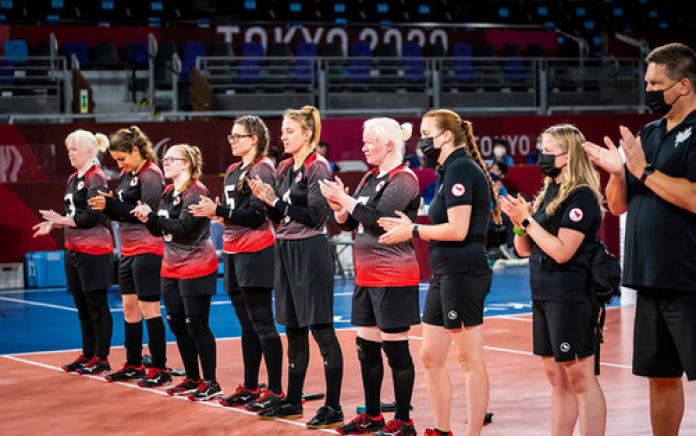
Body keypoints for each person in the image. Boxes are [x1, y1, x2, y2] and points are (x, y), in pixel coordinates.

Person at [582, 42, 696, 436]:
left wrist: (643, 171)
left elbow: (694, 197)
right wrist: (617, 173)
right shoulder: (648, 133)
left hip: (690, 278)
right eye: (645, 82)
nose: (648, 91)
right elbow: (618, 207)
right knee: (660, 377)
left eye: (656, 84)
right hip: (649, 275)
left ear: (683, 85)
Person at [378, 109, 500, 436]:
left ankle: (472, 432)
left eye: (427, 132)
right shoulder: (447, 169)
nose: (421, 140)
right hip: (444, 272)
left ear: (446, 136)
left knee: (469, 358)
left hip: (464, 272)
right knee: (431, 356)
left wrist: (413, 231)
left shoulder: (461, 168)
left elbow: (459, 230)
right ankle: (442, 429)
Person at [500, 124, 607, 436]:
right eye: (541, 149)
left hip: (571, 296)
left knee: (581, 379)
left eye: (549, 151)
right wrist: (519, 224)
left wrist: (528, 220)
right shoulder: (549, 192)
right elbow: (523, 249)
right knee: (556, 379)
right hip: (543, 294)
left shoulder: (582, 196)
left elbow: (562, 251)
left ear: (567, 156)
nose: (541, 156)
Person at [320, 118, 420, 436]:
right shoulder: (369, 177)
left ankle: (403, 421)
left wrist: (347, 202)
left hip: (393, 275)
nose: (363, 147)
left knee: (396, 350)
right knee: (367, 348)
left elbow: (378, 219)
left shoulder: (405, 179)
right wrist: (339, 208)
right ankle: (374, 416)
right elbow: (354, 222)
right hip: (366, 276)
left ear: (389, 145)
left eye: (369, 142)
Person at [248, 105, 344, 429]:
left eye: (289, 131)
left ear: (307, 134)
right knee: (293, 329)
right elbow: (279, 217)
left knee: (321, 329)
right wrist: (266, 199)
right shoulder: (285, 167)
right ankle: (292, 399)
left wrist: (277, 202)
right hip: (286, 248)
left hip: (311, 249)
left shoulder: (319, 167)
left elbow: (315, 215)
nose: (283, 136)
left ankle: (333, 406)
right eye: (283, 131)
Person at [189, 116, 284, 408]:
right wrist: (217, 213)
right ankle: (252, 385)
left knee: (263, 323)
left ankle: (276, 390)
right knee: (247, 325)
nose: (232, 141)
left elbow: (258, 216)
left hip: (256, 251)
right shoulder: (233, 170)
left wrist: (219, 209)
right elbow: (234, 212)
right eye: (230, 137)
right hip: (232, 251)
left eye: (237, 136)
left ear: (254, 138)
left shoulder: (263, 169)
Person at [131, 143, 221, 401]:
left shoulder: (196, 191)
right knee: (177, 324)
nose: (165, 162)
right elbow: (159, 230)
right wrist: (147, 219)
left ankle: (211, 381)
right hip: (170, 267)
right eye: (165, 158)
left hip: (196, 266)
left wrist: (153, 219)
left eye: (172, 159)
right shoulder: (168, 190)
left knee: (197, 325)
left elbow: (183, 228)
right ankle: (192, 378)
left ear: (187, 163)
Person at [88, 126, 170, 386]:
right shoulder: (128, 173)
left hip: (148, 247)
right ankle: (134, 363)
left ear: (136, 150)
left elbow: (149, 214)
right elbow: (123, 209)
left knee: (149, 309)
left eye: (122, 158)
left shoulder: (151, 175)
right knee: (129, 308)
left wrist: (111, 205)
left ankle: (159, 367)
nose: (120, 164)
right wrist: (107, 205)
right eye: (116, 160)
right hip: (128, 249)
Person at [33, 129, 114, 375]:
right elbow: (71, 215)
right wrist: (54, 223)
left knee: (96, 303)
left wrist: (62, 220)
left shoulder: (96, 177)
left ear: (89, 150)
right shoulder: (73, 179)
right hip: (74, 249)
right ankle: (88, 353)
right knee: (82, 304)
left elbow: (93, 216)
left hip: (94, 248)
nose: (70, 154)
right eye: (68, 149)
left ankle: (102, 356)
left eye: (74, 149)